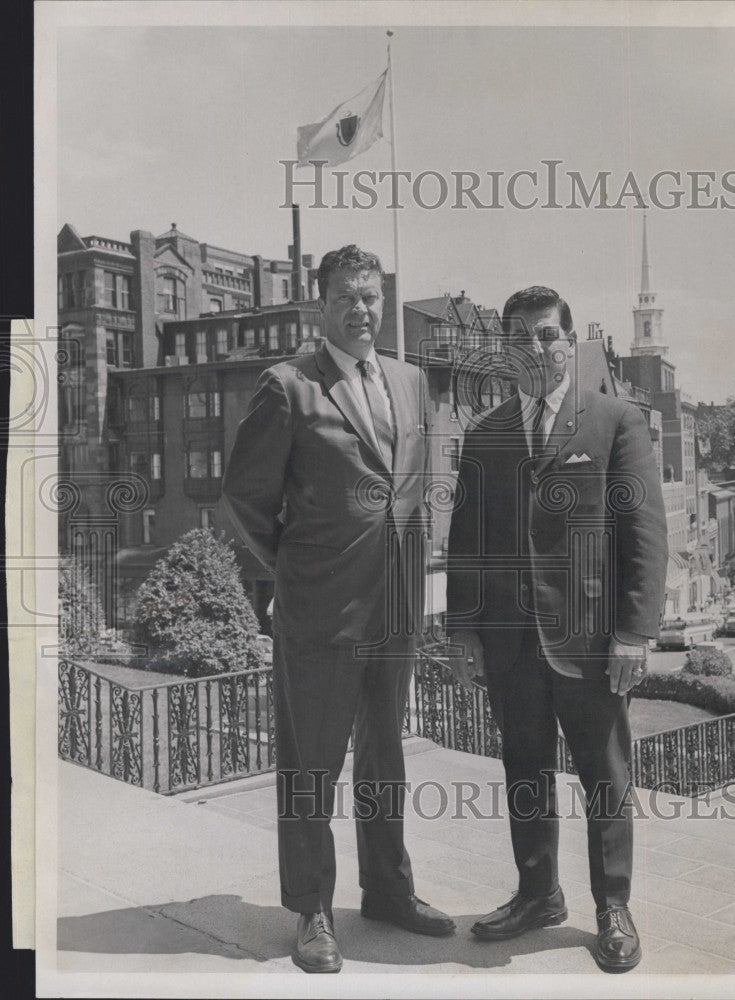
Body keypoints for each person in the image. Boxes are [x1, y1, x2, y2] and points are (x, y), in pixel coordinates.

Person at [220, 245, 454, 974]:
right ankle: (312, 910)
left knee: (385, 760)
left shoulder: (412, 381)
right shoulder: (288, 385)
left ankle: (387, 891)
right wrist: (297, 570)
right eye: (348, 297)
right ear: (320, 305)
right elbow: (246, 497)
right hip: (320, 610)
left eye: (373, 296)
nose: (362, 308)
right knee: (311, 766)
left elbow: (411, 488)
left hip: (394, 611)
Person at [445, 285, 668, 972]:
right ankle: (538, 893)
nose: (535, 347)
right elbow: (468, 541)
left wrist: (634, 632)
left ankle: (613, 906)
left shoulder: (614, 419)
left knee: (604, 777)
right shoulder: (485, 435)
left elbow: (644, 533)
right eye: (521, 337)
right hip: (512, 642)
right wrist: (462, 629)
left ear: (569, 342)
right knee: (525, 772)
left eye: (546, 335)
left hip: (592, 642)